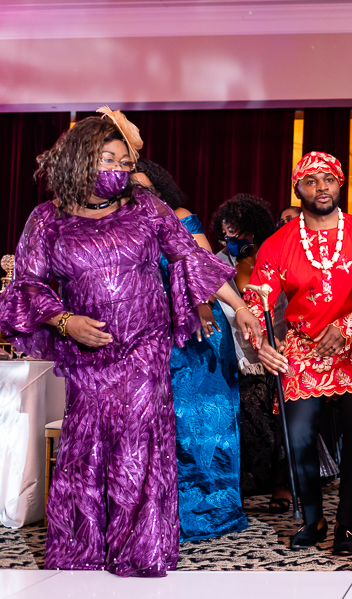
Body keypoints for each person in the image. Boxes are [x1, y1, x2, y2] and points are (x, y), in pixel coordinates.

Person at [0, 108, 261, 577]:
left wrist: (240, 308)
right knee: (86, 446)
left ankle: (139, 550)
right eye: (108, 160)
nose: (119, 171)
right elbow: (29, 286)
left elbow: (190, 255)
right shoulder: (47, 221)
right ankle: (82, 549)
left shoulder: (145, 207)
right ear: (79, 160)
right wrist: (63, 321)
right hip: (87, 354)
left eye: (124, 163)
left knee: (138, 442)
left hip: (145, 347)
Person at [249, 151, 352, 556]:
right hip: (304, 343)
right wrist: (261, 344)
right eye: (312, 181)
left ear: (341, 184)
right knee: (297, 434)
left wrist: (348, 328)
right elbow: (257, 301)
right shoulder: (278, 243)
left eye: (329, 180)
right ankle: (313, 518)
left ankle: (347, 524)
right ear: (298, 188)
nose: (322, 188)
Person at [134, 158, 248, 542]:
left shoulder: (179, 216)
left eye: (146, 187)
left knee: (205, 424)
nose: (140, 194)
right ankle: (161, 512)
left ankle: (209, 511)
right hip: (153, 332)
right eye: (132, 188)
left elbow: (202, 268)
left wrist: (236, 306)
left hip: (199, 330)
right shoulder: (121, 228)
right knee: (166, 426)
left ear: (161, 187)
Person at [210, 194, 294, 510]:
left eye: (237, 232)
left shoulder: (271, 260)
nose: (230, 237)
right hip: (235, 354)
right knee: (245, 423)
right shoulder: (216, 261)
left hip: (274, 351)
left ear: (254, 231)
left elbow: (283, 308)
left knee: (277, 423)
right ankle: (243, 485)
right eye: (226, 231)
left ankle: (281, 485)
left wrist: (279, 344)